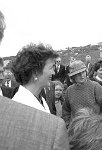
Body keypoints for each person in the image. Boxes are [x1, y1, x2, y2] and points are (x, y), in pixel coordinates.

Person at [0, 10, 70, 150]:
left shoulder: (41, 97)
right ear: (36, 72)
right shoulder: (20, 105)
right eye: (50, 67)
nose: (54, 72)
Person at [12, 43, 58, 113]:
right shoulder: (21, 106)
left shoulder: (39, 99)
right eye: (51, 68)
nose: (53, 73)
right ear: (35, 73)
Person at [62, 60, 102, 128]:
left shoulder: (95, 87)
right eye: (78, 73)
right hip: (76, 130)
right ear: (73, 76)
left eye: (83, 72)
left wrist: (98, 122)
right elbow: (66, 110)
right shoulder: (69, 90)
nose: (81, 75)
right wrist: (68, 125)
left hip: (94, 128)